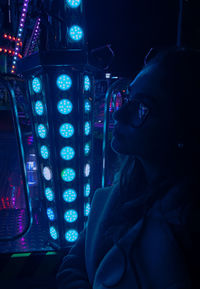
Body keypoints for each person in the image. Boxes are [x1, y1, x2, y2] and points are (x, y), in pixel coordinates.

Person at [56, 47, 200, 289]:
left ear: (181, 126)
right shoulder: (113, 195)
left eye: (142, 106)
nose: (119, 113)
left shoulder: (187, 226)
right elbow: (72, 265)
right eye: (128, 97)